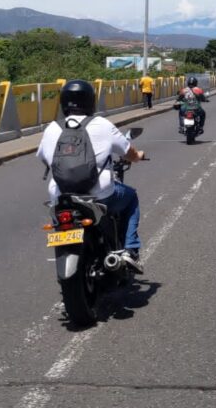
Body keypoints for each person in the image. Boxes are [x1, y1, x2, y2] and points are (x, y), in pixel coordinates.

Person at [37, 80, 146, 272]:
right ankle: (130, 250)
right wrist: (137, 157)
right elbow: (128, 152)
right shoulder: (102, 125)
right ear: (91, 101)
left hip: (60, 196)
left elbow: (43, 157)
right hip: (99, 195)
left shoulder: (52, 128)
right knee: (131, 198)